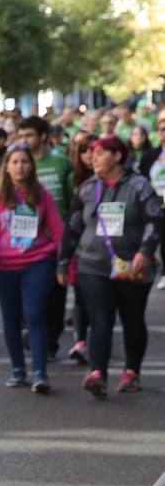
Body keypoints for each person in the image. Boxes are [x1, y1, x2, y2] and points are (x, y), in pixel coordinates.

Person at [59, 136, 164, 397]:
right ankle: (98, 373)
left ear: (117, 156)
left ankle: (131, 372)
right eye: (91, 154)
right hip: (93, 266)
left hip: (132, 266)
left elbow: (156, 219)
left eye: (100, 153)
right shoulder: (87, 188)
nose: (93, 158)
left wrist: (145, 251)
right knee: (100, 318)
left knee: (132, 320)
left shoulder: (139, 186)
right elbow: (73, 228)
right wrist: (63, 261)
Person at [0, 146, 64, 393]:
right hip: (4, 267)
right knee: (11, 319)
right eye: (14, 162)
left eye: (25, 162)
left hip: (37, 262)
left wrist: (65, 263)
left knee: (35, 314)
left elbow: (57, 231)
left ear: (31, 166)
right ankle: (18, 370)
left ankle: (40, 372)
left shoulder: (42, 194)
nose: (20, 166)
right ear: (6, 166)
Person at [18, 116, 76, 359]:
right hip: (26, 238)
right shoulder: (20, 164)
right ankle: (33, 331)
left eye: (28, 135)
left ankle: (51, 339)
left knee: (55, 291)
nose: (24, 141)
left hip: (56, 238)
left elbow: (73, 201)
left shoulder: (62, 163)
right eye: (20, 136)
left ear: (43, 136)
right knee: (29, 291)